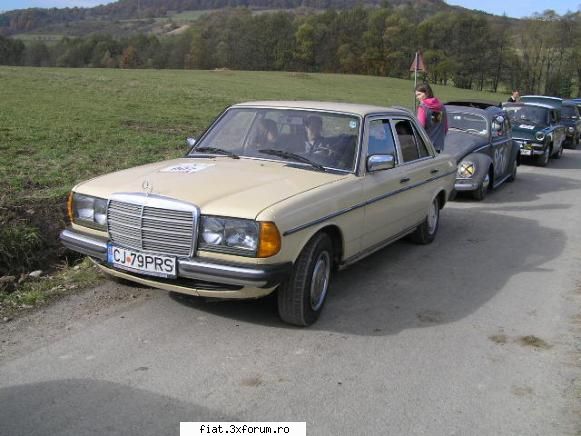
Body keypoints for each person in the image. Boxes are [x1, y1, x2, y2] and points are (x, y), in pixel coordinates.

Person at [415, 82, 447, 153]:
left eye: (419, 94)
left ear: (426, 93)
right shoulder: (441, 107)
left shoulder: (423, 107)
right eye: (416, 96)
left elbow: (420, 127)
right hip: (437, 147)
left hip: (425, 147)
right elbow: (444, 128)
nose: (417, 97)